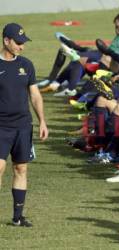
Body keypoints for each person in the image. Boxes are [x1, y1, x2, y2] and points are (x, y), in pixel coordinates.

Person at [0, 23, 48, 226]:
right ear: (6, 41)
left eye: (23, 43)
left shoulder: (26, 65)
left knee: (21, 169)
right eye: (18, 43)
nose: (22, 46)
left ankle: (18, 218)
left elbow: (35, 95)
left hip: (23, 127)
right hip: (1, 127)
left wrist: (42, 121)